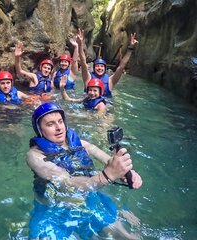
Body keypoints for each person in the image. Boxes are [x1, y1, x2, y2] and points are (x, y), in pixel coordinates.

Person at [27, 102, 143, 239]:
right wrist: (106, 176)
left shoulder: (78, 143)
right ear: (40, 130)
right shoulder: (35, 156)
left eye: (60, 121)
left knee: (125, 236)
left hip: (87, 198)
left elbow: (108, 160)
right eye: (50, 124)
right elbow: (66, 183)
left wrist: (125, 171)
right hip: (54, 208)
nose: (59, 128)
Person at [77, 29, 139, 97]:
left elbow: (121, 67)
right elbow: (83, 62)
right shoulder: (88, 78)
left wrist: (130, 49)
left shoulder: (110, 81)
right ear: (94, 68)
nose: (100, 68)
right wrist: (80, 45)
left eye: (102, 66)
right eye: (97, 66)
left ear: (105, 68)